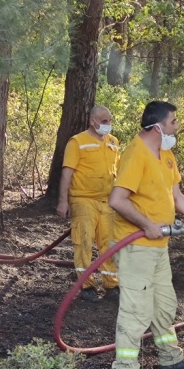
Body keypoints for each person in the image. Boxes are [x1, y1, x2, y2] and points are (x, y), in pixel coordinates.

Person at [108, 100, 184, 369]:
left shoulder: (166, 153)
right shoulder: (136, 153)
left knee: (164, 305)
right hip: (136, 247)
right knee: (136, 311)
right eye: (174, 123)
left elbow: (177, 197)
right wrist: (147, 225)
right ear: (158, 127)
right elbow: (117, 200)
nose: (177, 128)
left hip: (159, 247)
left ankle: (169, 360)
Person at [57, 105, 120, 303]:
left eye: (110, 121)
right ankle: (87, 285)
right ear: (93, 122)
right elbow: (67, 173)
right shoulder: (77, 142)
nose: (108, 125)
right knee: (83, 240)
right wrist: (62, 201)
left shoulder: (114, 143)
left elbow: (118, 173)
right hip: (83, 199)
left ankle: (111, 285)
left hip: (107, 201)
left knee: (109, 242)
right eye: (104, 121)